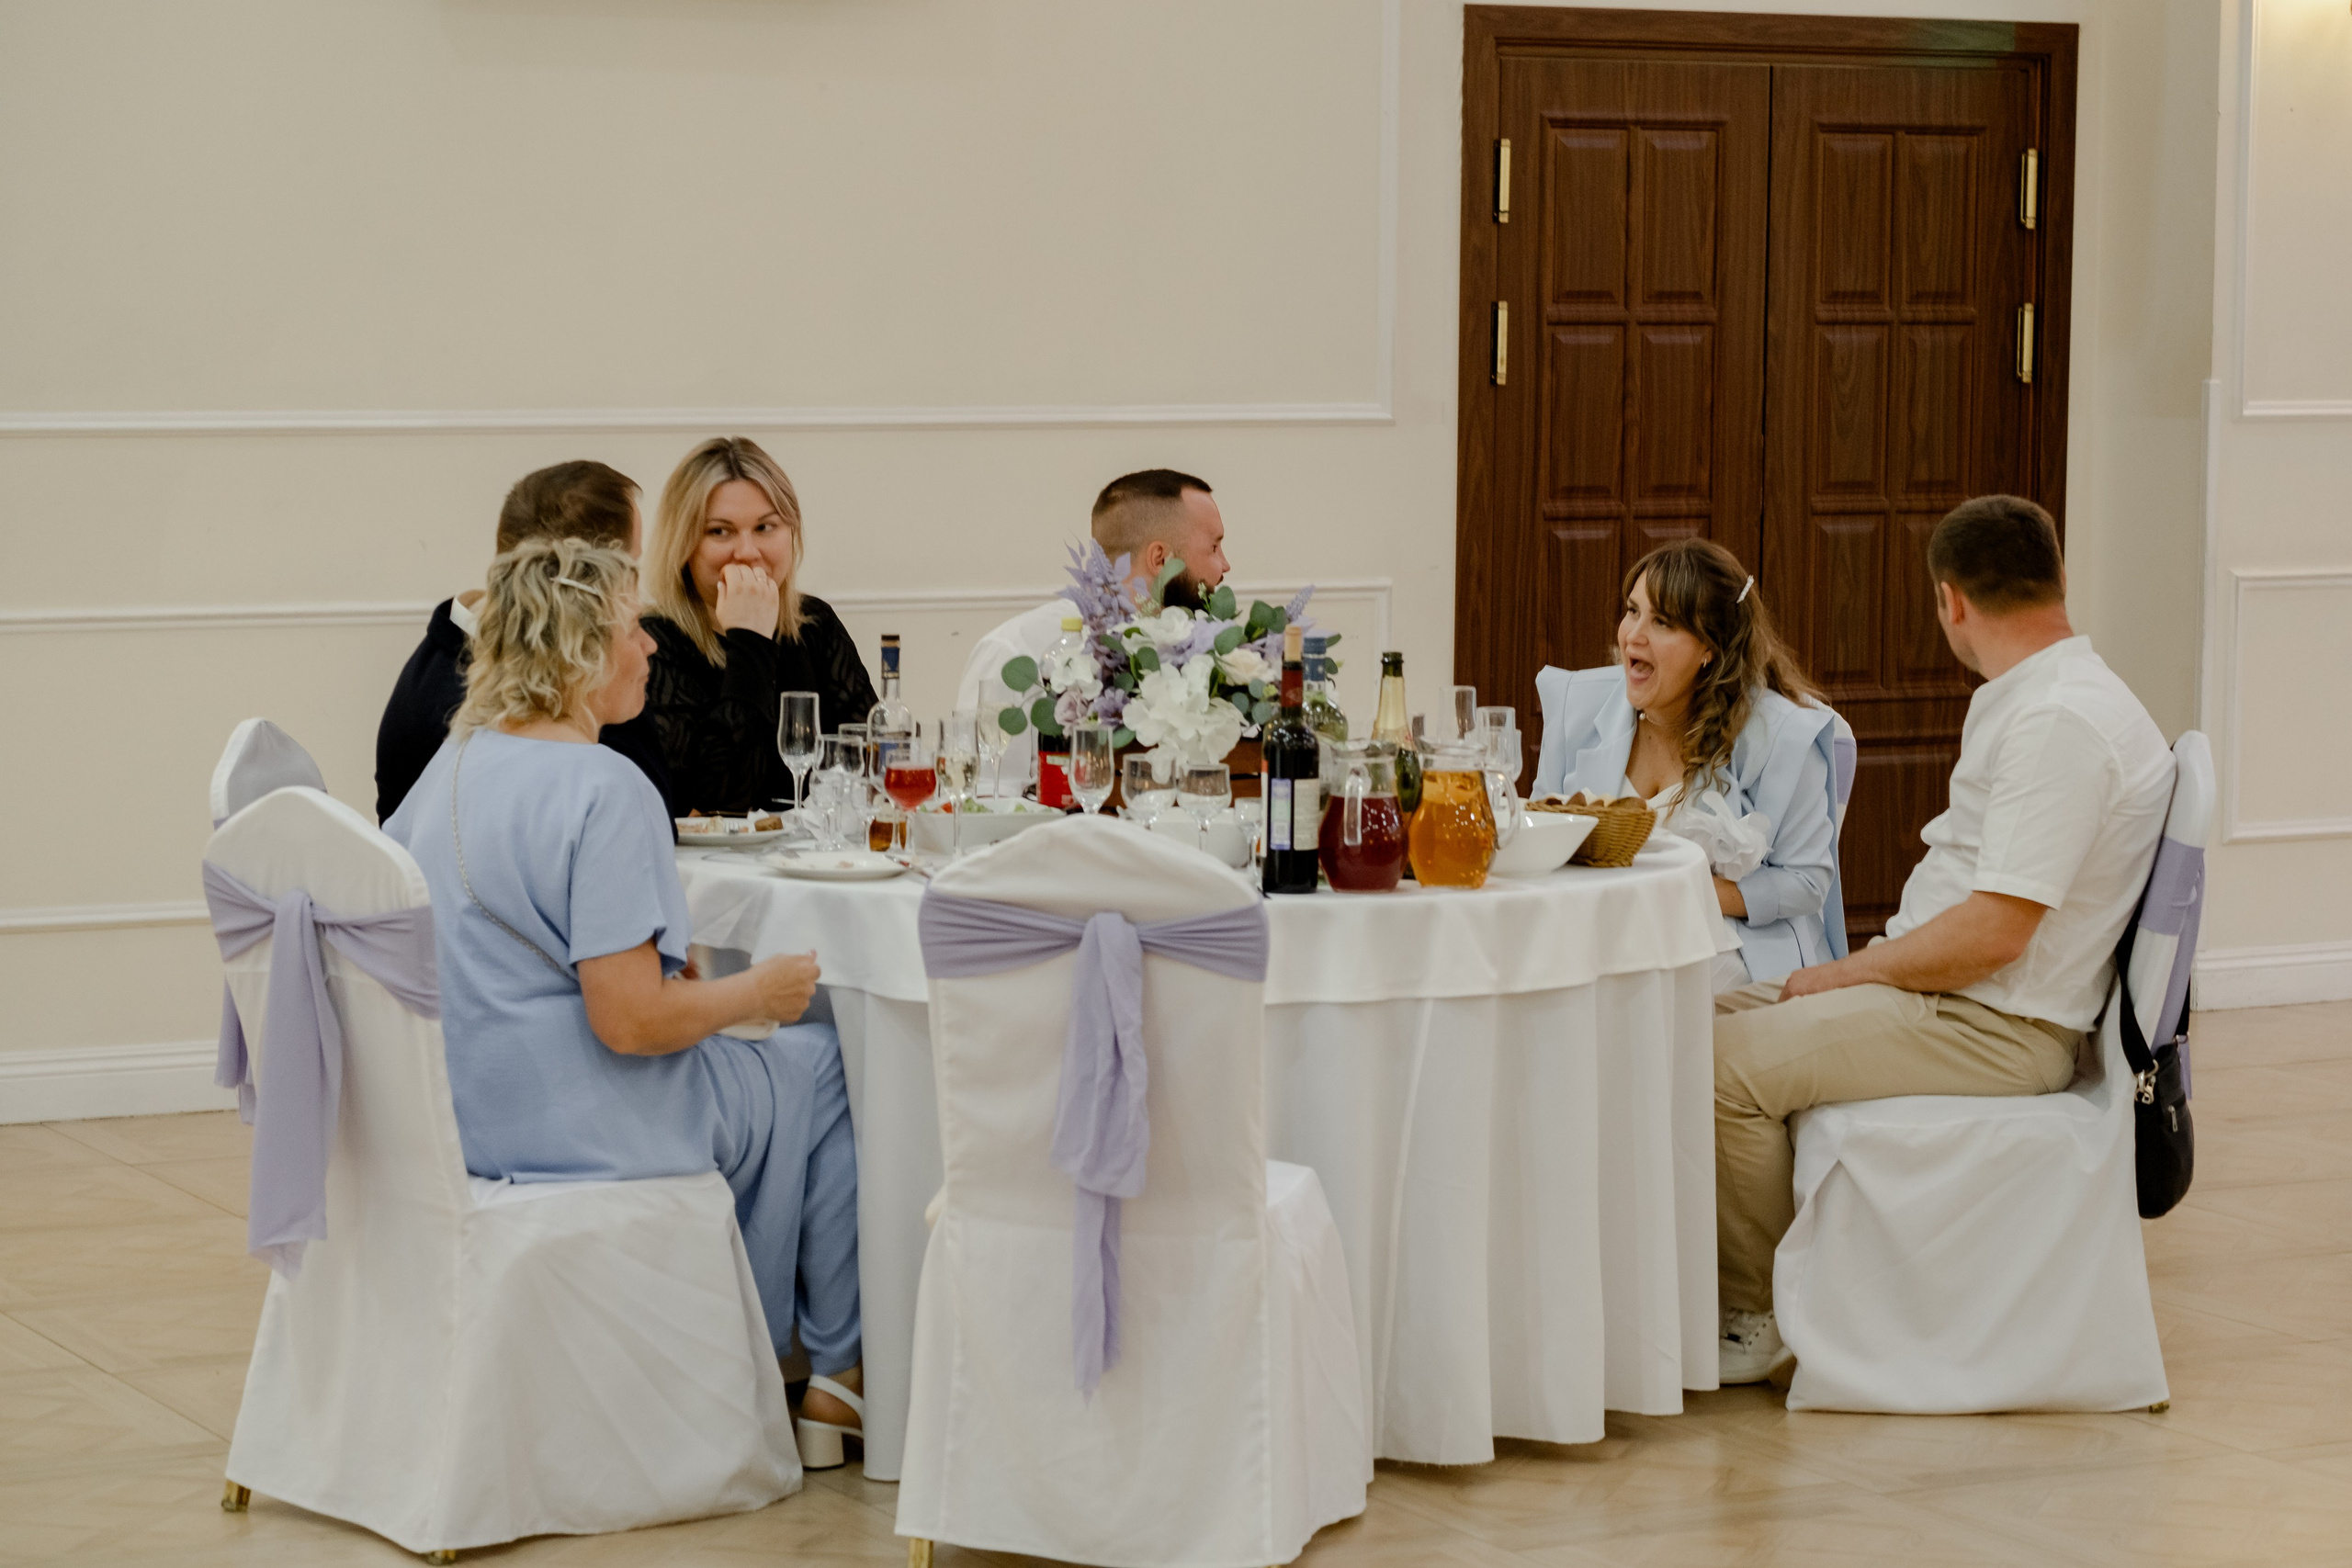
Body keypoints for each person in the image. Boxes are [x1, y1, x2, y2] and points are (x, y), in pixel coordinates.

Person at [382, 536, 865, 1459]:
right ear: (578, 650)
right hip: (573, 1115)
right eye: (631, 630)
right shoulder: (605, 787)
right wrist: (755, 990)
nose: (649, 647)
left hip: (459, 1107)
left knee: (769, 1063)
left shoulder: (448, 768)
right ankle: (829, 1377)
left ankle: (783, 1356)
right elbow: (632, 1021)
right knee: (825, 1063)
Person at [1710, 495, 2173, 1384]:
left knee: (1716, 1069)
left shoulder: (2056, 724)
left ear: (1949, 600)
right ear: (2059, 578)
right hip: (1950, 996)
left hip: (1994, 1025)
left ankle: (1763, 1315)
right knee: (1662, 1019)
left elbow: (1996, 935)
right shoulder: (2053, 696)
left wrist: (1844, 972)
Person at [1532, 538, 1845, 990]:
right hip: (1595, 929)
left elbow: (1807, 882)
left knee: (1637, 984)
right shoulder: (1575, 705)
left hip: (1731, 942)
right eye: (1632, 610)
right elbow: (1544, 831)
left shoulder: (1782, 738)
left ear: (1709, 648)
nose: (1632, 636)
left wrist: (1685, 891)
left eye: (1661, 622)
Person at [374, 460, 674, 822]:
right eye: (631, 565)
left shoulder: (449, 654)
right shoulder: (512, 692)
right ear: (584, 576)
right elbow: (646, 814)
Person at [640, 437, 876, 815]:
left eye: (765, 527)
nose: (747, 551)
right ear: (683, 543)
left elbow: (870, 764)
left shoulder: (814, 624)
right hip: (708, 870)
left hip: (816, 859)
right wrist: (750, 641)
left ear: (791, 531)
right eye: (720, 531)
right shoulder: (654, 641)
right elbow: (719, 805)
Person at [954, 468, 1231, 784]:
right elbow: (987, 802)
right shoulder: (1014, 651)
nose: (1225, 564)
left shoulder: (1204, 656)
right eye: (1213, 547)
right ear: (1160, 559)